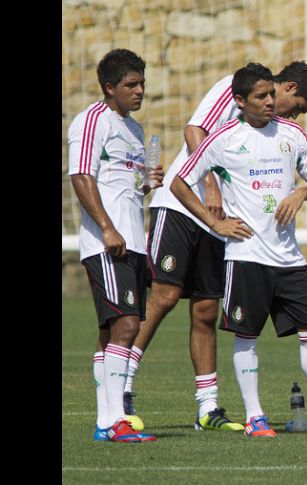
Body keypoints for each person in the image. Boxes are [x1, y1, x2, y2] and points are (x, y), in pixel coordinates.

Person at [124, 61, 307, 432]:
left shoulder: (283, 133)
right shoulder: (232, 88)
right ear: (288, 87)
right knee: (165, 297)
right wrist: (213, 186)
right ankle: (122, 386)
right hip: (183, 208)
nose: (294, 114)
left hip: (226, 222)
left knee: (206, 308)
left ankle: (208, 407)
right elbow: (194, 129)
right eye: (297, 106)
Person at [170, 63, 307, 437]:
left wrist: (301, 191)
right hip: (246, 257)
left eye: (271, 94)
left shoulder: (293, 134)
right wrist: (215, 223)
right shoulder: (223, 139)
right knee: (247, 336)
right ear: (240, 101)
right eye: (261, 97)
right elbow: (179, 183)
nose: (270, 102)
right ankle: (255, 417)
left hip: (288, 256)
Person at [68, 49, 163, 442]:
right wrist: (107, 229)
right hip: (107, 242)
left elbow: (125, 187)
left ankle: (106, 422)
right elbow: (81, 176)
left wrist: (147, 182)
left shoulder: (135, 131)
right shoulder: (92, 120)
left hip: (132, 242)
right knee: (126, 324)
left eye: (141, 83)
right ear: (109, 88)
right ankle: (112, 419)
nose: (139, 91)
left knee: (112, 331)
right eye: (130, 85)